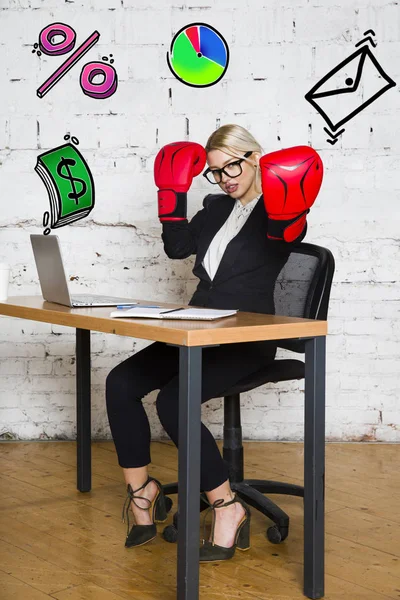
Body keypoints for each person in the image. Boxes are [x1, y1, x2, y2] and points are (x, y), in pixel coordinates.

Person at [106, 124, 322, 562]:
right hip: (199, 326)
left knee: (173, 401)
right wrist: (172, 193)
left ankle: (228, 508)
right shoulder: (215, 208)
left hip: (246, 338)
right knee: (120, 382)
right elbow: (176, 247)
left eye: (233, 166)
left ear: (255, 157)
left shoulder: (277, 208)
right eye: (216, 171)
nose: (225, 177)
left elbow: (287, 235)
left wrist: (287, 199)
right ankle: (143, 493)